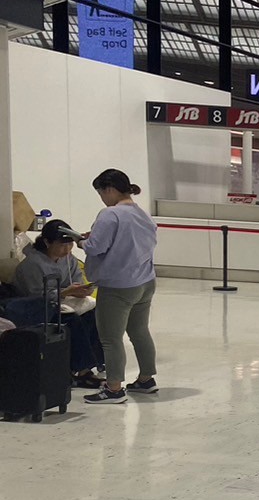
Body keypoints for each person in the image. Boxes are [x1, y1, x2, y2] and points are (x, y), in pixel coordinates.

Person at [78, 169, 159, 404]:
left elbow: (95, 248)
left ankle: (113, 389)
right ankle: (146, 379)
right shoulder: (142, 213)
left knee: (110, 338)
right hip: (145, 281)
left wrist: (81, 241)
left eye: (101, 193)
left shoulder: (110, 214)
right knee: (140, 331)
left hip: (118, 286)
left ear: (110, 190)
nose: (102, 199)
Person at [14, 218, 106, 387]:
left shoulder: (68, 259)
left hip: (62, 301)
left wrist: (82, 290)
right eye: (62, 245)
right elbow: (36, 296)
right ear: (47, 242)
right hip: (36, 308)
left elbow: (77, 278)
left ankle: (97, 360)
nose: (67, 249)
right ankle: (82, 370)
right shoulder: (32, 264)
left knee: (93, 314)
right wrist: (66, 292)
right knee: (72, 320)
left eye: (70, 244)